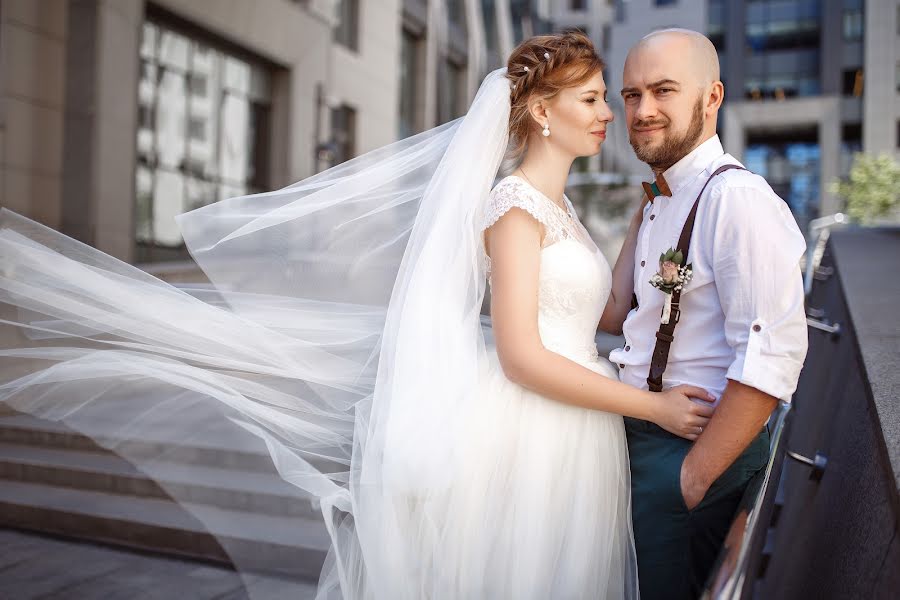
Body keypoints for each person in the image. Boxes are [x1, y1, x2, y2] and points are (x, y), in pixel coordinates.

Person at [1, 32, 712, 598]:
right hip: (533, 429)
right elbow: (523, 356)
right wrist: (649, 409)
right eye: (590, 99)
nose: (608, 113)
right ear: (540, 111)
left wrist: (645, 230)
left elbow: (607, 310)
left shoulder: (560, 209)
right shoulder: (515, 207)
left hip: (577, 428)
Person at [603, 29, 809, 600]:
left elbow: (772, 354)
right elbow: (628, 317)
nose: (643, 111)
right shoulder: (661, 200)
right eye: (631, 95)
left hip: (690, 458)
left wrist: (689, 481)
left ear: (712, 97)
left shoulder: (735, 201)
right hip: (641, 440)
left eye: (663, 91)